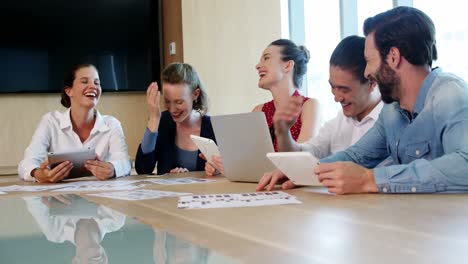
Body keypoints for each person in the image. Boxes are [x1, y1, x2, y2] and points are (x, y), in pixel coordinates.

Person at [263, 6, 468, 194]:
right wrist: (304, 172)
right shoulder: (392, 111)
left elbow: (465, 164)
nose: (368, 72)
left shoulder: (451, 96)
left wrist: (371, 179)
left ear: (393, 57)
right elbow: (356, 156)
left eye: (369, 61)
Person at [257, 35, 383, 191]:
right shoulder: (339, 121)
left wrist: (306, 171)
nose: (337, 98)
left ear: (372, 83)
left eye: (344, 89)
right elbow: (303, 156)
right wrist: (283, 132)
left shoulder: (389, 121)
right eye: (332, 87)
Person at [205, 39, 320, 176]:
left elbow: (301, 161)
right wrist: (221, 164)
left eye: (266, 58)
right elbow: (246, 161)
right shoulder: (258, 111)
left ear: (288, 66)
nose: (258, 66)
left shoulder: (309, 106)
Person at [18, 64, 132, 183]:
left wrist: (113, 169)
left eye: (97, 83)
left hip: (101, 196)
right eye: (84, 81)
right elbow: (26, 163)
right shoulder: (50, 121)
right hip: (60, 198)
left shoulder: (112, 124)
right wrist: (39, 174)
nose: (93, 86)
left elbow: (124, 162)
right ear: (69, 91)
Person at [135, 62, 216, 175]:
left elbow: (224, 172)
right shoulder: (162, 122)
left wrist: (214, 170)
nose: (172, 109)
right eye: (167, 101)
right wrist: (153, 120)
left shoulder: (213, 127)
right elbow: (143, 169)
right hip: (168, 192)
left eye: (179, 102)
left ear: (195, 94)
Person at [24, 195, 125, 264]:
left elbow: (30, 197)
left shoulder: (54, 231)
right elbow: (122, 184)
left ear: (76, 262)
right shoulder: (115, 220)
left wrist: (48, 192)